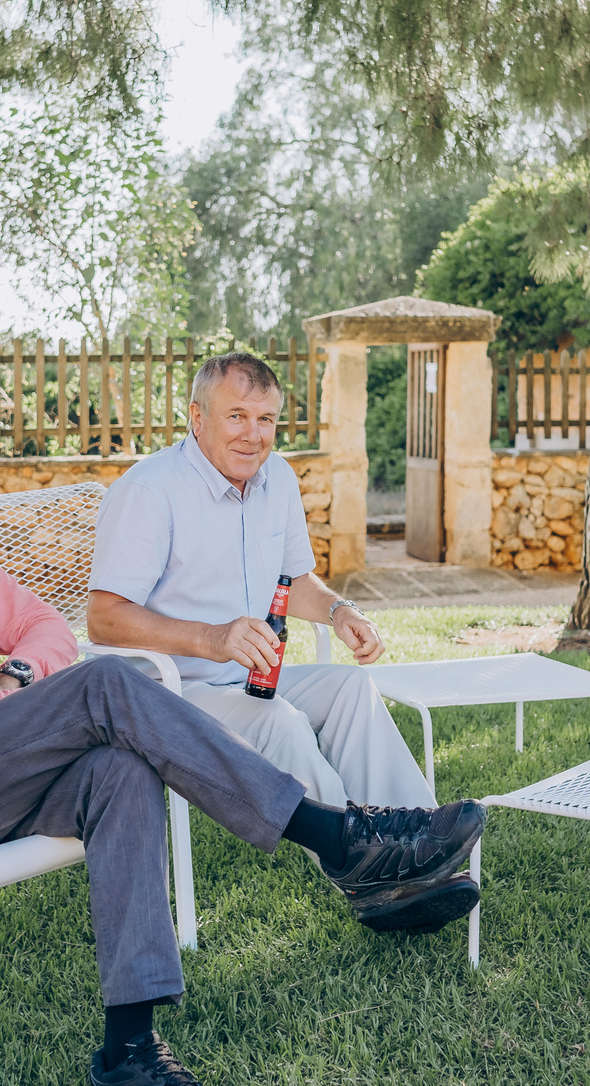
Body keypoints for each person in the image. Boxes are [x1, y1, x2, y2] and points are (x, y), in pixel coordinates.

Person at [0, 378, 486, 1086]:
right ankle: (342, 838)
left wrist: (7, 677)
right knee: (108, 682)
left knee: (121, 767)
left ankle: (130, 1049)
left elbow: (45, 629)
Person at [86, 351, 478, 935]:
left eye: (266, 419)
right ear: (197, 417)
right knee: (283, 724)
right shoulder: (151, 491)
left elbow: (291, 582)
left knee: (349, 687)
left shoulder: (279, 478)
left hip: (249, 678)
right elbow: (103, 618)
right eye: (237, 416)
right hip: (169, 693)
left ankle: (420, 843)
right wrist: (211, 639)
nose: (254, 435)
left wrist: (340, 612)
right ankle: (367, 865)